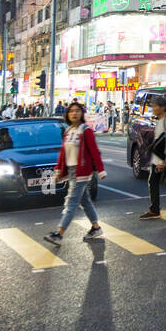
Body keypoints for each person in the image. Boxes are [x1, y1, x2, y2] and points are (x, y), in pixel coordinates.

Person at [44, 103, 106, 245]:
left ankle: (59, 234)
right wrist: (58, 169)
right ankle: (96, 228)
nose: (74, 114)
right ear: (67, 114)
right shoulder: (69, 131)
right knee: (84, 200)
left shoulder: (86, 131)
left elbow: (94, 151)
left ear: (82, 114)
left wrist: (101, 170)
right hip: (72, 171)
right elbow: (63, 152)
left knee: (71, 202)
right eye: (71, 111)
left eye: (77, 111)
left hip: (82, 171)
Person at [139, 96, 166, 220]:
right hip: (157, 159)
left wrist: (162, 162)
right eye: (152, 106)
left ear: (163, 107)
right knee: (153, 182)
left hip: (162, 160)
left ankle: (158, 210)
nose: (153, 108)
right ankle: (155, 209)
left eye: (155, 106)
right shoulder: (161, 121)